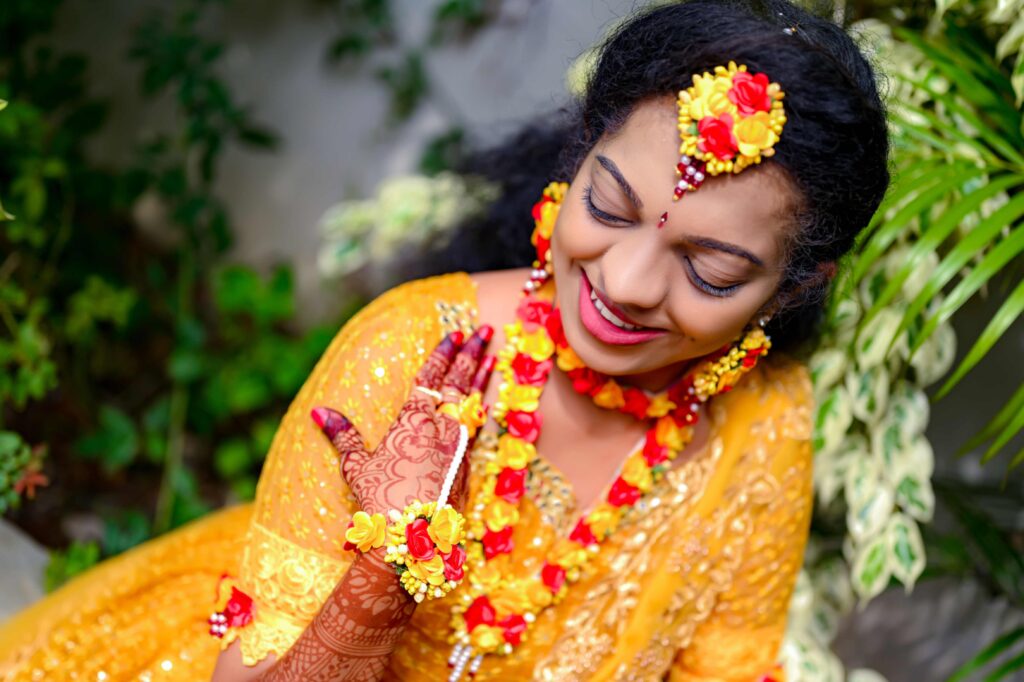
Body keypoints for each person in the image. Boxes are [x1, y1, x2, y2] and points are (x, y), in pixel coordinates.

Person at [0, 0, 889, 680]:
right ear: (578, 156)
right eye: (608, 208)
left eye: (710, 272)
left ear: (792, 290)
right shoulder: (411, 353)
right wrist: (382, 579)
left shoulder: (766, 426)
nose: (623, 282)